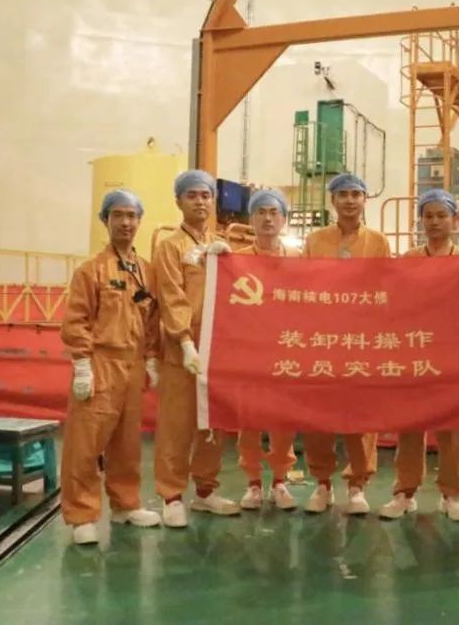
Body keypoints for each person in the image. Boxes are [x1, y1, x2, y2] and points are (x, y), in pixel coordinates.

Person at [59, 190, 162, 545]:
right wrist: (82, 363)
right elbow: (77, 320)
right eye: (118, 215)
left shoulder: (146, 271)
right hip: (101, 363)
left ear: (139, 220)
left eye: (132, 216)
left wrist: (151, 357)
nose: (126, 222)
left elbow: (152, 319)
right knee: (86, 443)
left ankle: (125, 504)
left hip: (133, 365)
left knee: (127, 442)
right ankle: (82, 516)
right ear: (106, 220)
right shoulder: (91, 271)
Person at [379, 189, 459, 522]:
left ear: (454, 220)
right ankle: (405, 492)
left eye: (441, 215)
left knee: (453, 427)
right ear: (420, 220)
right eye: (428, 216)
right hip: (415, 352)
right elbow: (395, 304)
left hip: (452, 355)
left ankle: (451, 494)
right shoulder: (408, 260)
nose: (434, 222)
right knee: (410, 425)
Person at [152, 169, 237, 527]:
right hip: (181, 351)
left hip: (216, 350)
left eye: (205, 195)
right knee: (177, 424)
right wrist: (185, 341)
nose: (200, 201)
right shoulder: (170, 247)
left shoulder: (221, 246)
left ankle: (205, 491)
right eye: (192, 195)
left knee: (211, 423)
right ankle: (171, 496)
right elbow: (171, 297)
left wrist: (231, 265)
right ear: (179, 201)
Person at [301, 173, 391, 515]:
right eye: (343, 194)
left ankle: (357, 485)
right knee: (318, 415)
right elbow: (301, 286)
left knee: (361, 416)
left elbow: (389, 289)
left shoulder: (378, 242)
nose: (350, 200)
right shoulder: (315, 241)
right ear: (333, 200)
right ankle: (321, 483)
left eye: (356, 194)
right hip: (322, 340)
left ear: (365, 199)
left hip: (362, 341)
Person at [234, 189, 298, 511]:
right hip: (250, 352)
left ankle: (280, 480)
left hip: (286, 350)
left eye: (274, 212)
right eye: (261, 212)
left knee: (283, 420)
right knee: (249, 420)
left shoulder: (299, 260)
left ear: (284, 219)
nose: (268, 218)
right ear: (251, 218)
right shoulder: (236, 260)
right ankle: (253, 482)